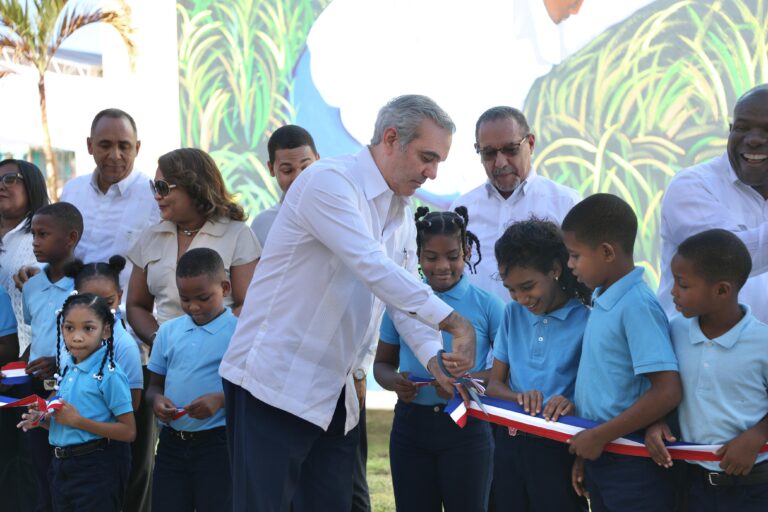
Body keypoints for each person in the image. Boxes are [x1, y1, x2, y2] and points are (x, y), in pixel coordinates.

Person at [219, 94, 478, 511]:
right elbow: (371, 266)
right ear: (391, 138)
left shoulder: (402, 207)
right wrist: (454, 322)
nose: (432, 174)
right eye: (427, 158)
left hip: (335, 393)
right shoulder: (328, 181)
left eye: (439, 163)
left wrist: (433, 358)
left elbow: (400, 297)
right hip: (273, 384)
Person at [374, 206, 501, 511]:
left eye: (452, 256)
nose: (442, 266)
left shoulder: (487, 306)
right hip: (410, 428)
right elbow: (382, 364)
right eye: (431, 257)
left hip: (467, 428)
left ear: (467, 251)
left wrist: (465, 384)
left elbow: (505, 372)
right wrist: (395, 381)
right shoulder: (403, 303)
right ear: (417, 255)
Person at [560, 193, 681, 511]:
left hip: (632, 464)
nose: (569, 265)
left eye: (575, 256)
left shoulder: (637, 305)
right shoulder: (603, 298)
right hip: (602, 455)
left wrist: (601, 436)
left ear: (607, 252)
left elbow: (667, 390)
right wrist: (590, 447)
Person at [646, 230, 768, 511]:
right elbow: (664, 390)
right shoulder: (674, 330)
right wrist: (656, 422)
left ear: (722, 290)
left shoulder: (762, 342)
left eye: (683, 285)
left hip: (754, 489)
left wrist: (758, 435)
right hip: (691, 486)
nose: (673, 292)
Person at [485, 218, 590, 511]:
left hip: (560, 448)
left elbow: (589, 394)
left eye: (528, 286)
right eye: (511, 290)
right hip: (508, 446)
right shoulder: (511, 315)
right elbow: (494, 385)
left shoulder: (587, 322)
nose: (520, 299)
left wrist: (568, 403)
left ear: (555, 270)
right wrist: (518, 397)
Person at [658, 84, 768, 324]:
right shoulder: (691, 185)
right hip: (696, 355)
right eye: (742, 128)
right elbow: (724, 259)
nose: (754, 140)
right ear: (730, 130)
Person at [18, 293, 136, 512]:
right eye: (69, 328)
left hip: (96, 469)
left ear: (106, 330)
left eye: (88, 328)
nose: (77, 337)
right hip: (61, 466)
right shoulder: (67, 368)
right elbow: (65, 422)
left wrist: (78, 421)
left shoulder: (110, 374)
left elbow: (128, 431)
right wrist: (41, 419)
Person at [450, 106, 579, 302]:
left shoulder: (565, 203)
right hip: (477, 331)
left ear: (531, 143)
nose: (500, 162)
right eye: (489, 153)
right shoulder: (461, 211)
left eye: (511, 149)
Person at [146, 248, 235, 512]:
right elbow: (154, 386)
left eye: (203, 298)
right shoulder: (168, 332)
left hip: (217, 446)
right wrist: (157, 401)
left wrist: (220, 400)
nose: (193, 307)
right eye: (185, 299)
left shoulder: (240, 333)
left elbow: (253, 393)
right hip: (172, 444)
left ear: (225, 288)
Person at [21, 201, 82, 512]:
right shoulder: (31, 286)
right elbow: (37, 337)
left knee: (73, 469)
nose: (35, 241)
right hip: (37, 392)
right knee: (41, 468)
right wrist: (18, 368)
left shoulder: (85, 285)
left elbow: (99, 343)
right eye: (33, 234)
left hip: (76, 393)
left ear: (70, 238)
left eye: (43, 234)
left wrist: (59, 363)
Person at [62, 256, 143, 411]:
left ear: (119, 297)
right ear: (75, 297)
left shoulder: (124, 345)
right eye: (89, 302)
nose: (100, 311)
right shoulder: (67, 337)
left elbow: (130, 406)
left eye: (108, 303)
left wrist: (78, 421)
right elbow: (64, 385)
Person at [0, 159, 49, 355]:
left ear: (31, 186)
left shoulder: (43, 237)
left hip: (28, 353)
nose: (1, 185)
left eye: (10, 179)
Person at [251, 125, 320, 247]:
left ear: (318, 160)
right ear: (271, 168)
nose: (299, 178)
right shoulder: (262, 224)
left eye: (305, 168)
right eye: (287, 170)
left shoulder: (340, 210)